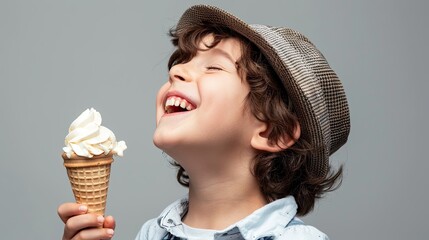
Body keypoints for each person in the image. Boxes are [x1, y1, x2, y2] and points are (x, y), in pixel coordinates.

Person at [57, 4, 350, 240]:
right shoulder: (151, 233)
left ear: (273, 131)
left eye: (213, 66)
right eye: (183, 60)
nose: (177, 71)